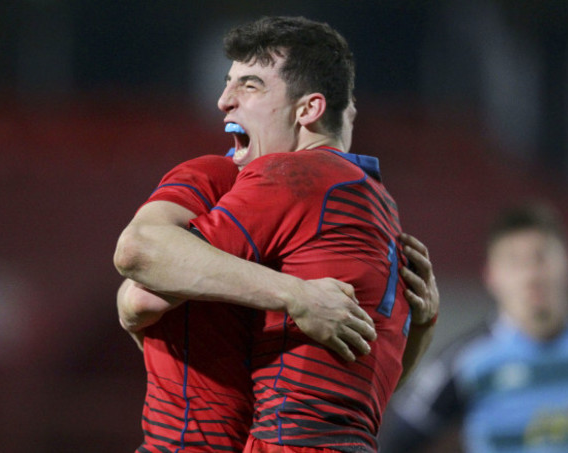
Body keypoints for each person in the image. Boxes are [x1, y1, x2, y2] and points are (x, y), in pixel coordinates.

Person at [115, 16, 439, 452]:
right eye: (228, 83)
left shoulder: (272, 174)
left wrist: (293, 296)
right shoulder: (382, 210)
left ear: (309, 109)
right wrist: (421, 326)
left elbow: (140, 280)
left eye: (250, 85)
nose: (223, 101)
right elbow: (375, 380)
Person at [378, 202, 568, 453]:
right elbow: (394, 441)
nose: (531, 275)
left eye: (541, 257)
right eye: (514, 262)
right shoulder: (462, 362)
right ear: (491, 277)